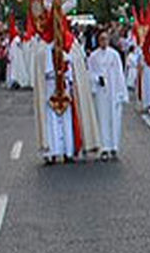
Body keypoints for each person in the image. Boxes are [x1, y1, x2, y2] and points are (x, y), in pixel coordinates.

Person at [32, 13, 100, 163]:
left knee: (68, 120)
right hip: (49, 87)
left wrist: (67, 61)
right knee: (51, 121)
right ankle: (52, 152)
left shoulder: (71, 43)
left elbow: (77, 63)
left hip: (66, 86)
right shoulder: (42, 45)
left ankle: (69, 151)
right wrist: (52, 59)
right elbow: (40, 68)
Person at [87, 30, 128, 160]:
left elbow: (119, 74)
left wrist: (122, 92)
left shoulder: (114, 55)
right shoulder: (93, 56)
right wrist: (96, 79)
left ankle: (114, 146)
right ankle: (104, 147)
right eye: (101, 39)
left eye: (106, 39)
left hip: (113, 91)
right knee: (102, 119)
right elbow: (90, 73)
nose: (104, 42)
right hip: (101, 92)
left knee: (114, 119)